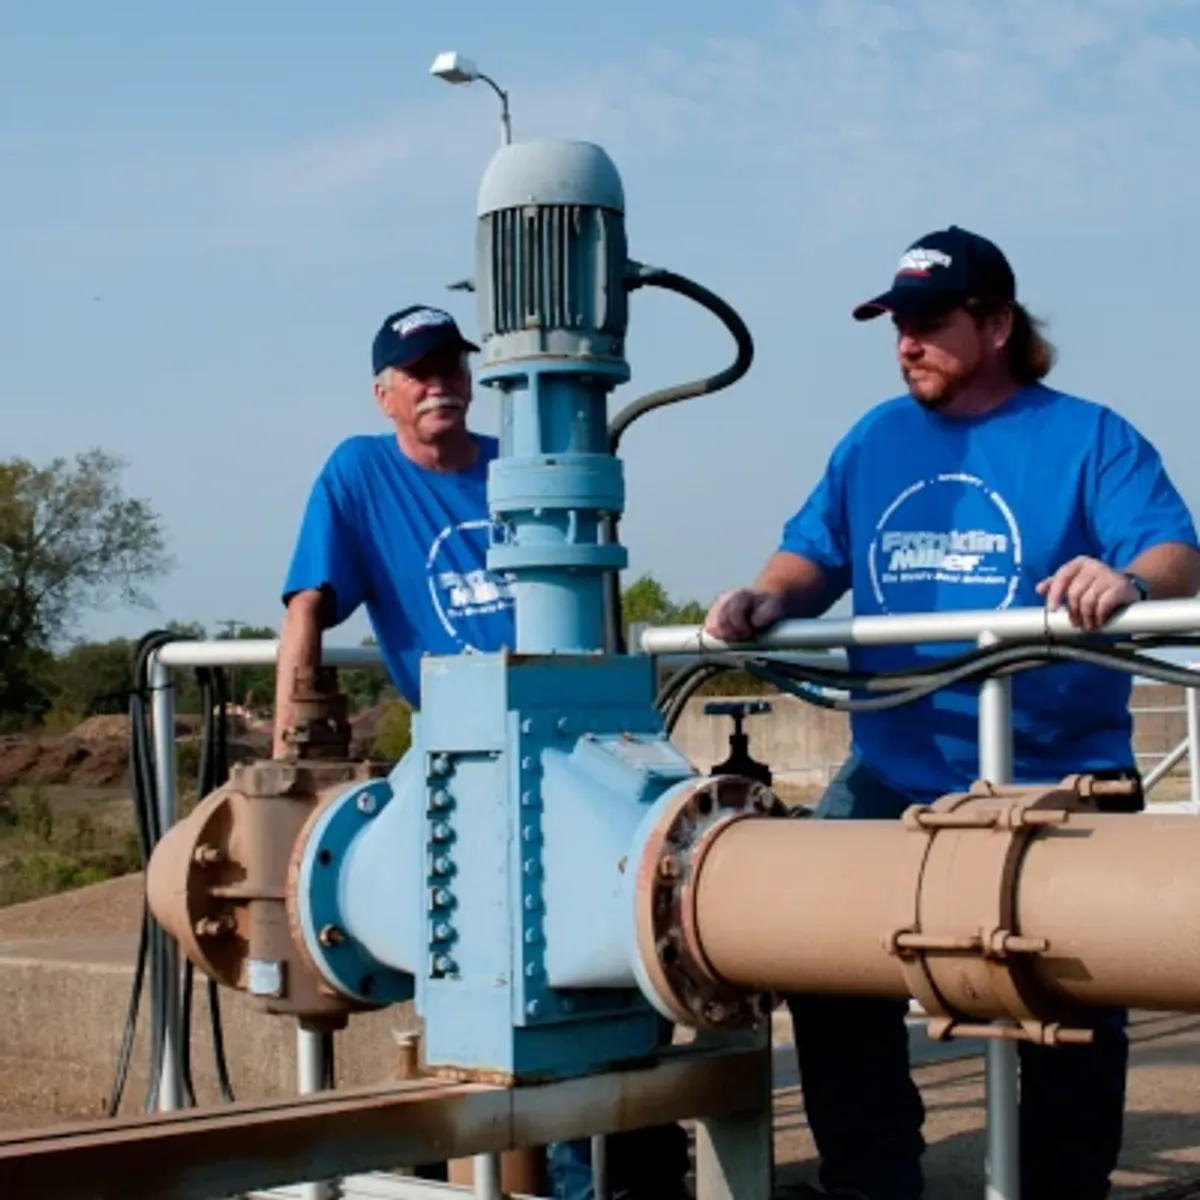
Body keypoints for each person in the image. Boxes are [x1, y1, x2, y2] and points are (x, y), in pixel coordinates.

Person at [703, 226, 1200, 1200]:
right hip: (897, 772)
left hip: (1059, 780)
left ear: (998, 324)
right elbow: (813, 552)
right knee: (817, 952)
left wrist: (1127, 579)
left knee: (1073, 1004)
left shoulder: (1089, 438)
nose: (907, 343)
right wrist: (766, 598)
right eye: (897, 325)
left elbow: (1176, 555)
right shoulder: (875, 440)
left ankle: (1064, 1190)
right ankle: (873, 1180)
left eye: (929, 322)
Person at [273, 303, 690, 1200]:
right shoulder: (360, 474)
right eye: (420, 372)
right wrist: (289, 753)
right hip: (466, 768)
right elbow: (307, 608)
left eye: (454, 368)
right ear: (384, 393)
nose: (443, 385)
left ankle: (626, 1173)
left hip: (577, 747)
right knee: (515, 985)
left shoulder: (520, 471)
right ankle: (558, 1175)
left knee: (622, 971)